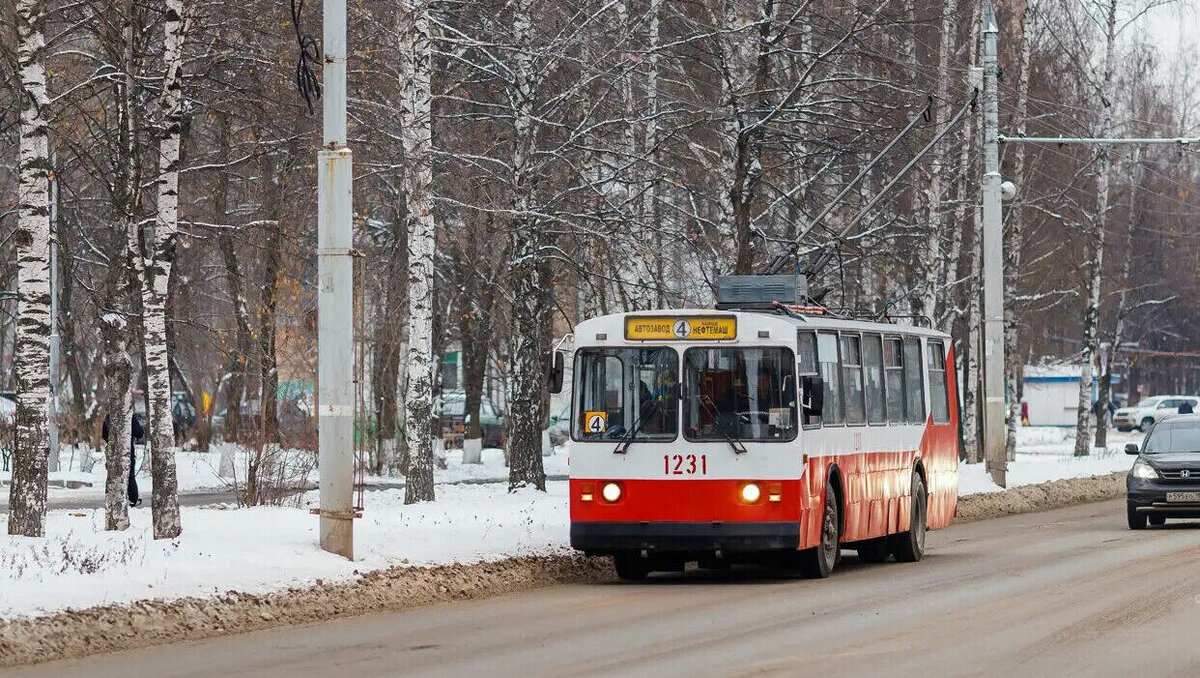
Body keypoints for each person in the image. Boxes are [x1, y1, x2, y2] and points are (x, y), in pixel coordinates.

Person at [102, 412, 144, 507]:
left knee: (113, 475)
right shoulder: (129, 416)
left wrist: (112, 441)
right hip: (127, 450)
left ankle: (113, 497)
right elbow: (139, 433)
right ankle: (132, 499)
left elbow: (104, 434)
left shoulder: (109, 417)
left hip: (113, 451)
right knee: (130, 475)